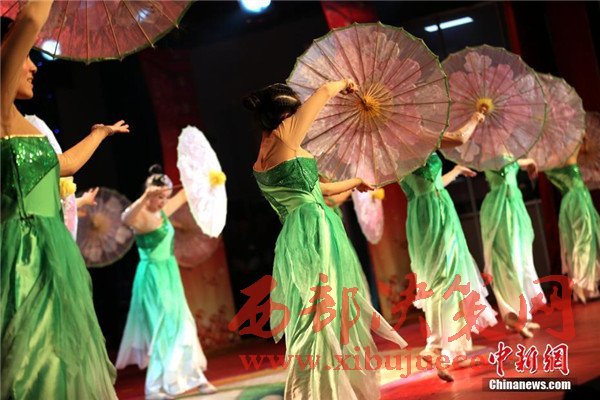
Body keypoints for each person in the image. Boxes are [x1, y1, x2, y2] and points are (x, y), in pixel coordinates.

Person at [245, 81, 407, 400]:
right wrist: (343, 84)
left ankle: (324, 388)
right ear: (286, 116)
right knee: (322, 311)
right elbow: (322, 94)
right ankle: (318, 391)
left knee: (317, 310)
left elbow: (316, 190)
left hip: (297, 232)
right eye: (296, 113)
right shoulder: (286, 137)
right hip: (315, 228)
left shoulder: (264, 154)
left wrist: (355, 181)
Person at [1, 2, 128, 398]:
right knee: (33, 362)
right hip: (23, 252)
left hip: (51, 249)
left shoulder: (19, 123)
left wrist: (99, 134)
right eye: (27, 56)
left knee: (59, 356)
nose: (33, 67)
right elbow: (31, 17)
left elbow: (64, 165)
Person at [399, 111, 497, 381]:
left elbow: (428, 184)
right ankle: (439, 348)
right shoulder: (420, 138)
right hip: (437, 214)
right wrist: (476, 118)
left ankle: (450, 347)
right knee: (450, 278)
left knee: (438, 279)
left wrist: (455, 171)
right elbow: (460, 138)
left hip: (420, 215)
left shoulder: (395, 150)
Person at [117, 165, 216, 399]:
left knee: (183, 324)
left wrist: (208, 180)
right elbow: (125, 217)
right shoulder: (140, 216)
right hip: (152, 277)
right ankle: (153, 389)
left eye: (165, 197)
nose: (163, 201)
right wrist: (145, 196)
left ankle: (197, 378)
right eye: (159, 197)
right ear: (150, 194)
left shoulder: (161, 212)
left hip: (170, 274)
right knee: (163, 329)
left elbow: (184, 194)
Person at [480, 156, 546, 338]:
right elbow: (502, 163)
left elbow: (511, 162)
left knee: (523, 261)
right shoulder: (487, 150)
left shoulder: (506, 151)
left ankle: (523, 315)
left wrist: (528, 161)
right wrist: (527, 161)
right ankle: (513, 315)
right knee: (509, 262)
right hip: (500, 208)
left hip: (515, 205)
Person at [544, 145, 600, 303]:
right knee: (584, 241)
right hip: (578, 199)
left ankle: (582, 286)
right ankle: (584, 284)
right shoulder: (569, 151)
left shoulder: (551, 162)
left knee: (574, 242)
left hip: (567, 201)